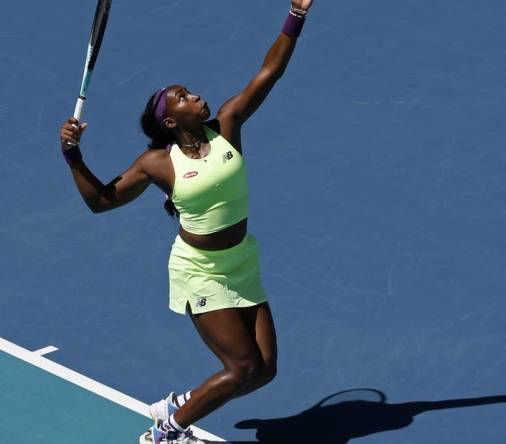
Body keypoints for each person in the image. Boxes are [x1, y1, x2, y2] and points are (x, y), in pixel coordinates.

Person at [58, 2, 314, 443]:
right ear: (172, 121)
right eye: (184, 96)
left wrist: (296, 14)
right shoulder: (158, 163)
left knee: (265, 370)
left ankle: (178, 405)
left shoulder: (228, 124)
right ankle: (166, 434)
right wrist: (73, 157)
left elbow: (270, 71)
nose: (196, 95)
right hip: (200, 271)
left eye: (191, 91)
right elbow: (102, 201)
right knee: (242, 368)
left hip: (242, 261)